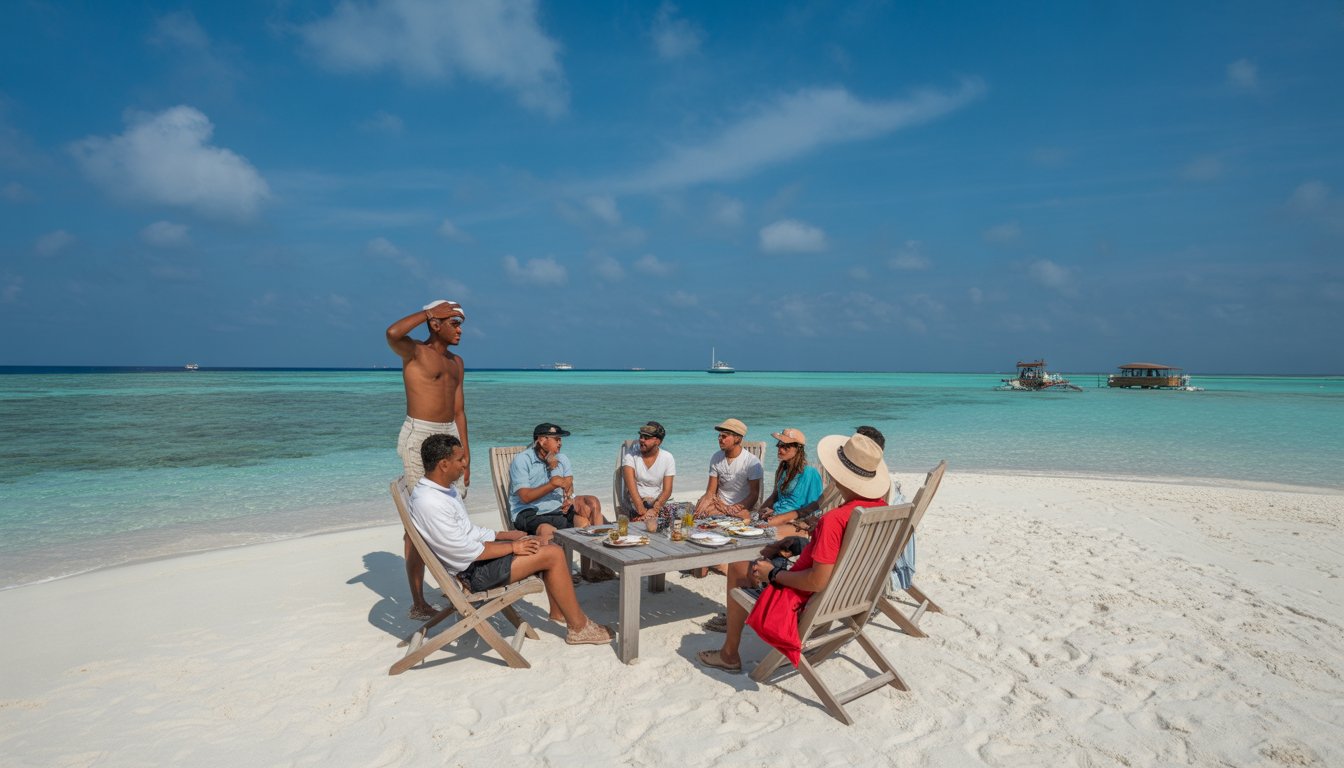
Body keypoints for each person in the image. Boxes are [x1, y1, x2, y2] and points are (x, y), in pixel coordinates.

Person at [697, 431, 890, 672]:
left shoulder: (834, 520)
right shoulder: (881, 511)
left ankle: (729, 654)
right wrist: (796, 543)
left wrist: (772, 574)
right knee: (766, 553)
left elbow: (817, 581)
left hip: (805, 600)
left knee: (738, 566)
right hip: (851, 596)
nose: (780, 448)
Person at [408, 434, 612, 644]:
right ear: (443, 464)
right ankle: (578, 627)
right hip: (472, 574)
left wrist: (502, 535)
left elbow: (468, 532)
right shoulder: (430, 502)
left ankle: (559, 612)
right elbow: (464, 551)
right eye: (460, 459)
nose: (465, 463)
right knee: (553, 554)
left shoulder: (444, 491)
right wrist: (513, 547)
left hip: (475, 561)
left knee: (543, 542)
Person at [386, 299, 470, 620]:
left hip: (450, 435)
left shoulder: (456, 362)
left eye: (461, 324)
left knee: (453, 511)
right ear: (436, 324)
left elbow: (459, 411)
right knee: (417, 523)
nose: (460, 330)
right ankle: (418, 601)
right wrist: (428, 313)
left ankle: (458, 581)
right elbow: (392, 333)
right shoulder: (415, 352)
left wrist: (466, 455)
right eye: (454, 323)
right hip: (420, 434)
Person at [509, 423, 604, 543]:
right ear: (542, 440)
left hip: (557, 511)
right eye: (556, 439)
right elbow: (525, 498)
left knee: (590, 508)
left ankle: (599, 547)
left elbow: (569, 486)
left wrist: (569, 498)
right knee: (547, 531)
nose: (560, 443)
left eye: (560, 439)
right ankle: (553, 551)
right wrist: (552, 484)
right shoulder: (522, 460)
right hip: (529, 513)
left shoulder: (562, 458)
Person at [755, 427, 822, 535]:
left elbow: (813, 507)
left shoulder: (809, 473)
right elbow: (776, 495)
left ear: (798, 449)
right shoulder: (783, 469)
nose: (780, 449)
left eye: (785, 446)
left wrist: (781, 518)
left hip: (795, 522)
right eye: (779, 445)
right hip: (777, 516)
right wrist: (761, 510)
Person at [694, 418, 763, 520]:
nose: (720, 439)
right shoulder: (716, 457)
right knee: (699, 511)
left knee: (744, 515)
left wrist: (733, 509)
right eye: (719, 436)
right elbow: (710, 492)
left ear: (737, 439)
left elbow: (754, 495)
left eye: (724, 436)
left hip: (740, 506)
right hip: (718, 504)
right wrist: (702, 506)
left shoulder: (751, 461)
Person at [620, 421, 676, 524]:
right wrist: (642, 510)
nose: (642, 440)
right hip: (636, 502)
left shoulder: (667, 458)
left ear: (657, 441)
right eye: (641, 436)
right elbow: (631, 488)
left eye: (646, 438)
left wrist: (654, 510)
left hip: (657, 502)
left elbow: (667, 491)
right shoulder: (630, 457)